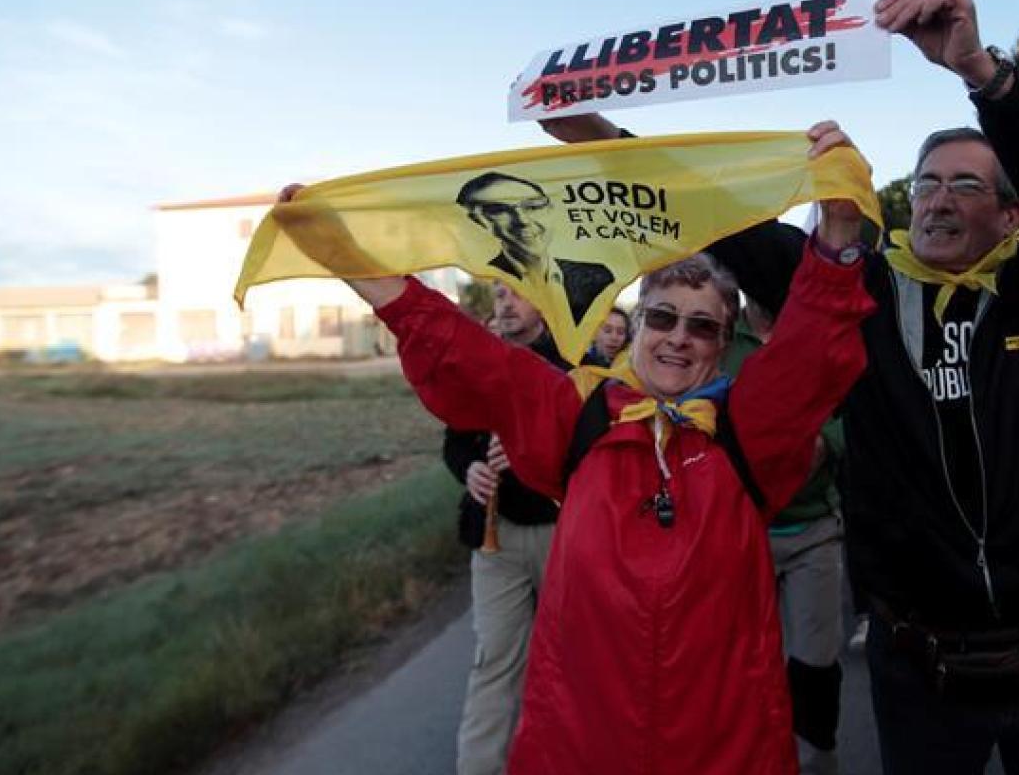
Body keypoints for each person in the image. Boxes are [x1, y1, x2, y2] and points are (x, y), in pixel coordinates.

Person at [542, 0, 1019, 775]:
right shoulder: (857, 291)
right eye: (926, 182)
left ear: (1011, 215)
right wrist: (601, 138)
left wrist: (981, 72)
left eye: (965, 185)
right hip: (919, 657)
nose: (937, 201)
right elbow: (720, 216)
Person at [275, 169, 875, 775]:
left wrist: (841, 233)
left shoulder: (747, 429)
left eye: (702, 326)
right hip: (580, 746)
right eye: (662, 318)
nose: (678, 338)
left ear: (724, 345)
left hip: (724, 749)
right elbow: (465, 353)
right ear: (635, 328)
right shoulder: (579, 416)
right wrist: (349, 262)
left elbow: (815, 346)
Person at [440, 282, 568, 775]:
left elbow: (586, 445)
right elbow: (455, 441)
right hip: (496, 541)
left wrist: (531, 454)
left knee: (572, 661)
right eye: (498, 294)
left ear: (541, 299)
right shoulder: (478, 362)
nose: (506, 303)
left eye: (516, 293)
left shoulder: (569, 363)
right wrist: (469, 468)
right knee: (492, 663)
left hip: (560, 531)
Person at [725, 298, 849, 775]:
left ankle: (816, 758)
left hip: (812, 529)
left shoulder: (816, 330)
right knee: (742, 664)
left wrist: (823, 443)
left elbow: (853, 401)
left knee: (815, 663)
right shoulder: (723, 335)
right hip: (741, 530)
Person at [455, 171, 614, 324]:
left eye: (534, 207)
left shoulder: (597, 276)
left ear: (551, 210)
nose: (522, 220)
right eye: (500, 210)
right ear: (480, 221)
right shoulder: (486, 282)